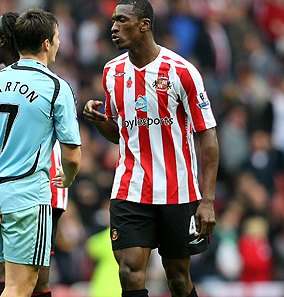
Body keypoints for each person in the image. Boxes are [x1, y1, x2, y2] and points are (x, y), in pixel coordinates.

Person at [82, 1, 219, 297]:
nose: (114, 27)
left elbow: (207, 136)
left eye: (122, 20)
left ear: (144, 24)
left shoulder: (182, 71)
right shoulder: (112, 72)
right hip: (130, 189)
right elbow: (121, 135)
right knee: (130, 271)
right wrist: (99, 122)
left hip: (177, 190)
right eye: (113, 21)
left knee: (178, 279)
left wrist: (207, 200)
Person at [0, 8, 81, 297]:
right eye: (56, 38)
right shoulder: (56, 86)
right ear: (46, 43)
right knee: (20, 288)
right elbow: (72, 154)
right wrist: (67, 179)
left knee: (1, 279)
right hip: (29, 197)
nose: (57, 43)